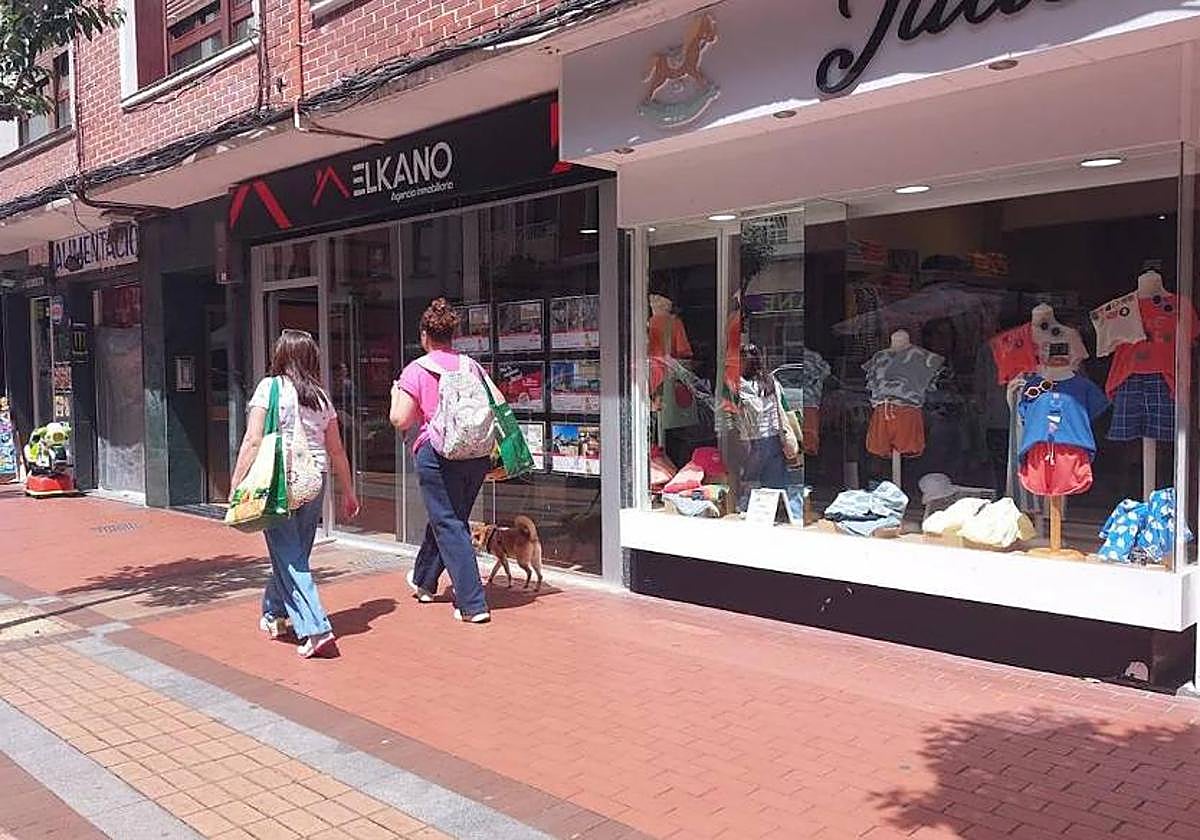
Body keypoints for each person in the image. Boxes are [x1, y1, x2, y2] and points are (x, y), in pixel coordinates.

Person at [230, 329, 360, 658]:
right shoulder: (321, 397)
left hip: (280, 481)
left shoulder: (269, 387)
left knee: (289, 555)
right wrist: (349, 491)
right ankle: (274, 611)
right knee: (294, 553)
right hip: (314, 480)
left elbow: (253, 440)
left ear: (281, 355)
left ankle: (316, 628)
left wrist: (236, 482)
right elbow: (337, 450)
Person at [390, 299, 493, 624]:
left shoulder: (416, 370)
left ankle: (472, 603)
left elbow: (400, 419)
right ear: (453, 335)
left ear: (425, 335)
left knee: (449, 523)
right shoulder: (471, 366)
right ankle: (424, 580)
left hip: (437, 454)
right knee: (449, 518)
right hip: (475, 454)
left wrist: (394, 395)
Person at [735, 343, 788, 509]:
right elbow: (783, 404)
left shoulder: (743, 384)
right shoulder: (771, 380)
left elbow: (752, 410)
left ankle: (747, 508)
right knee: (774, 479)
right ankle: (775, 510)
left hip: (757, 438)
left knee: (750, 477)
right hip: (775, 436)